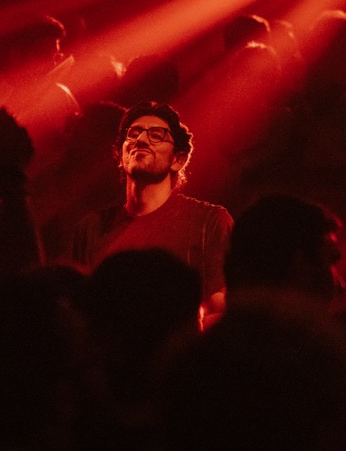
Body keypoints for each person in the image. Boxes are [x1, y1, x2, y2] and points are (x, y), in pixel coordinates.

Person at [69, 101, 233, 313]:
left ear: (178, 160)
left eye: (156, 135)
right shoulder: (91, 228)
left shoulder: (209, 222)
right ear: (121, 155)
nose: (141, 139)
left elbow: (225, 313)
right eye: (133, 133)